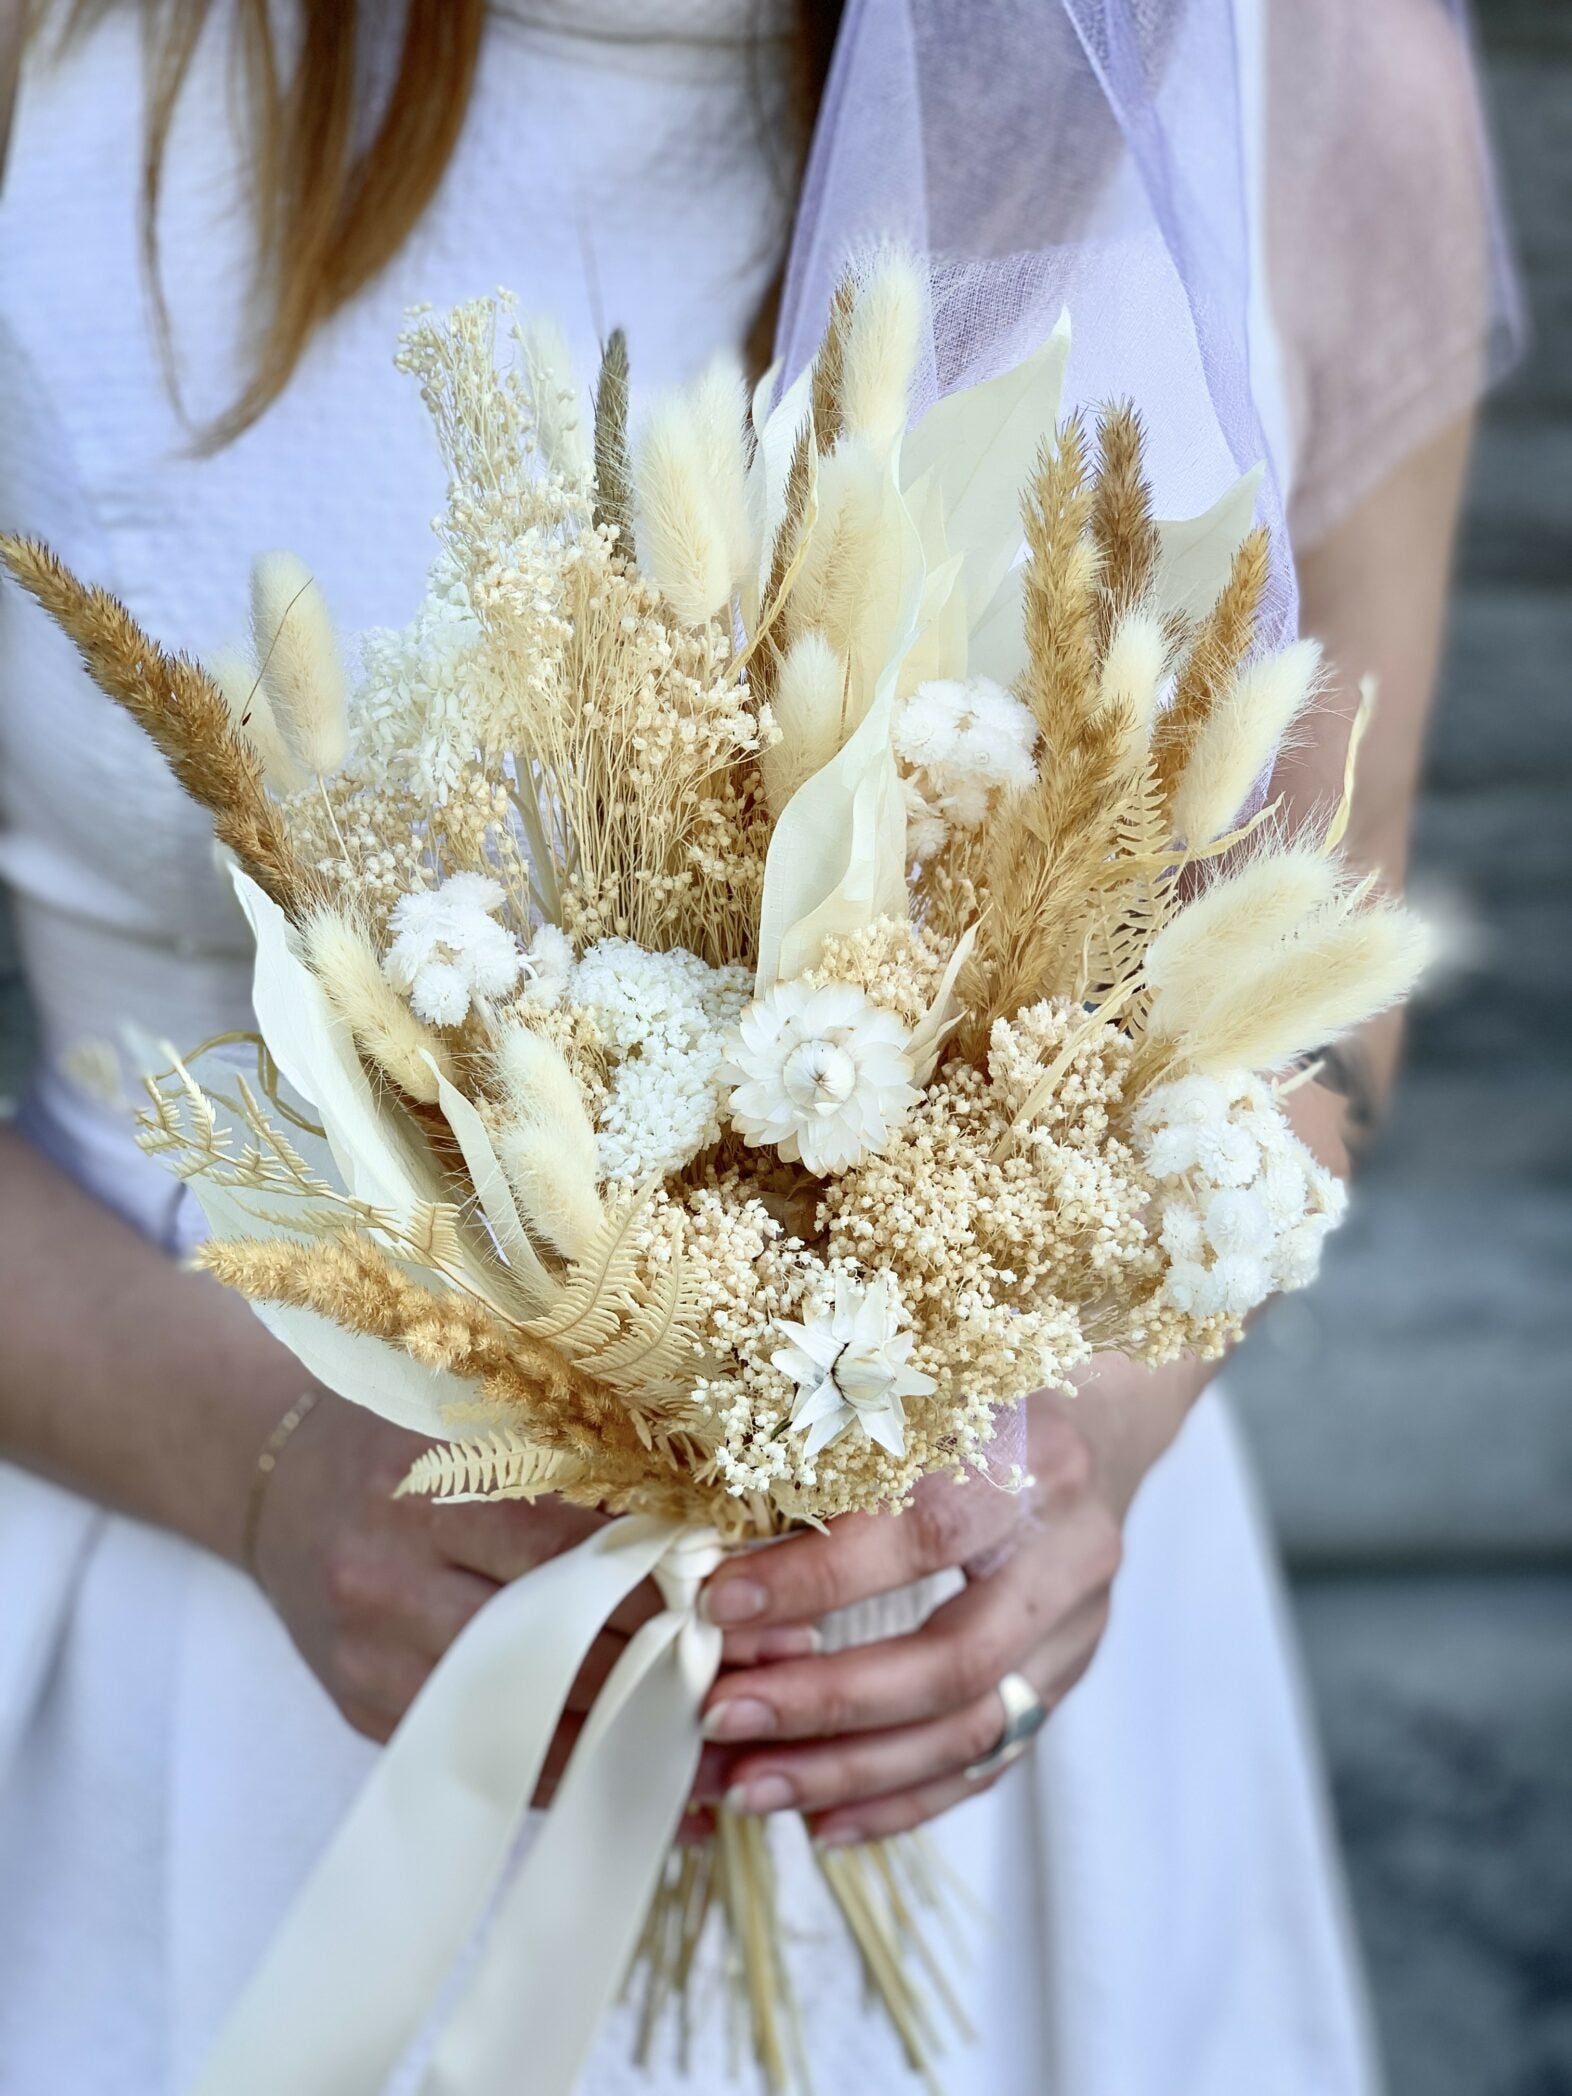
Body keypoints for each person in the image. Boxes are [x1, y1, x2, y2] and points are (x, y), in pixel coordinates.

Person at [0, 2, 1512, 2090]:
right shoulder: (71, 62)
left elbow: (1323, 969)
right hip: (200, 1689)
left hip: (979, 1734)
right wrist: (249, 1463)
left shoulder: (1289, 53)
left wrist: (1087, 1436)